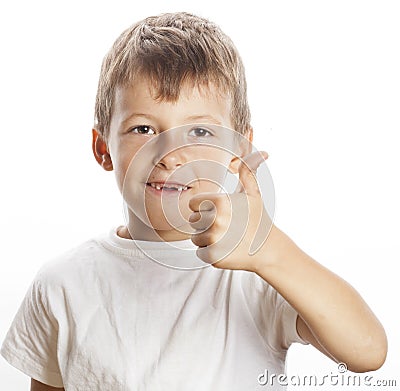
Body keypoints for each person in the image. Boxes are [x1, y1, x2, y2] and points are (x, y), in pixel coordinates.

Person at [1, 12, 387, 391]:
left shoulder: (258, 275)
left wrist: (268, 250)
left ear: (240, 147)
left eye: (199, 130)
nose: (170, 154)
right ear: (104, 149)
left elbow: (367, 352)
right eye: (143, 128)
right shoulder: (62, 284)